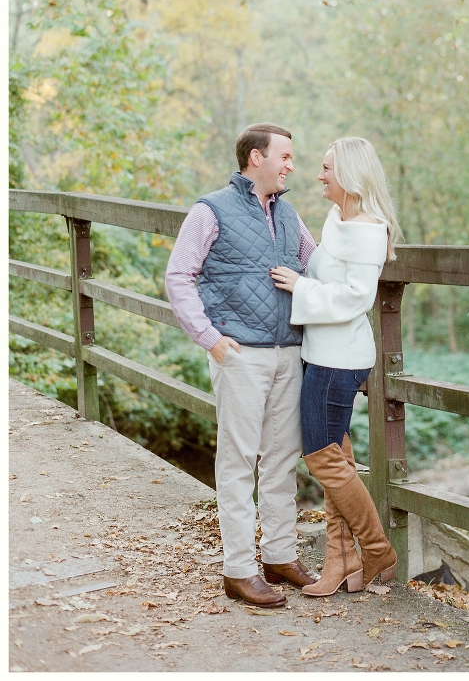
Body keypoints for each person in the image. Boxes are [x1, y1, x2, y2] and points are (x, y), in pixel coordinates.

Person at [165, 123, 320, 607]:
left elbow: (318, 268)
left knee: (280, 460)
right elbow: (178, 275)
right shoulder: (210, 210)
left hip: (288, 353)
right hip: (240, 356)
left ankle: (279, 555)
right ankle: (238, 569)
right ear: (257, 157)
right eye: (285, 156)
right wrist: (210, 339)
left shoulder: (290, 214)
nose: (291, 165)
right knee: (237, 463)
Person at [270, 136, 401, 597]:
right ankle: (340, 561)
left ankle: (376, 547)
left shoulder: (368, 230)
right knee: (337, 457)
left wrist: (298, 288)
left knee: (320, 456)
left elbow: (356, 298)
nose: (319, 175)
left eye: (326, 168)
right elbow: (326, 271)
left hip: (340, 358)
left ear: (346, 174)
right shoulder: (336, 220)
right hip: (319, 351)